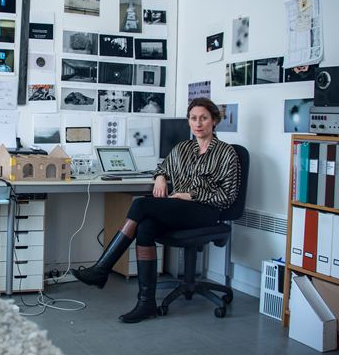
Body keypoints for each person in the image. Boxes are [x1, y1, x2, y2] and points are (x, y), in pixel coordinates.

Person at [70, 97, 241, 323]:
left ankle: (101, 269)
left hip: (205, 211)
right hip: (180, 208)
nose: (198, 123)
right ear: (189, 121)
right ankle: (146, 303)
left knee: (140, 204)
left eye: (204, 118)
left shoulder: (226, 153)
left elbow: (228, 197)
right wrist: (160, 177)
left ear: (214, 121)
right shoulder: (183, 148)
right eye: (193, 118)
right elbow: (163, 167)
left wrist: (191, 195)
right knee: (145, 227)